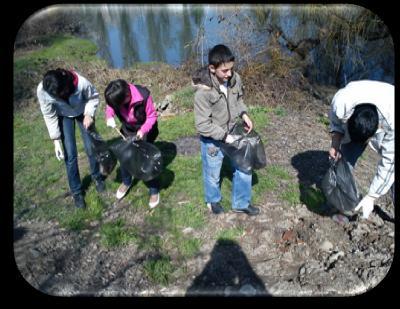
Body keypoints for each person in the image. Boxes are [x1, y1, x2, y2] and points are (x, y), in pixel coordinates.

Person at [193, 44, 260, 216]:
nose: (229, 74)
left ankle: (241, 203)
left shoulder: (235, 79)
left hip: (233, 131)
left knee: (245, 166)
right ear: (212, 69)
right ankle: (213, 200)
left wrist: (244, 114)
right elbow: (202, 125)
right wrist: (224, 137)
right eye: (224, 71)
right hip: (213, 141)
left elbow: (238, 100)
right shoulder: (203, 93)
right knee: (212, 174)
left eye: (231, 68)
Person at [37, 68, 105, 209]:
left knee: (91, 148)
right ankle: (77, 192)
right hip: (64, 116)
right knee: (70, 155)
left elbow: (93, 97)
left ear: (66, 85)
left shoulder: (81, 83)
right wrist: (56, 140)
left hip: (83, 113)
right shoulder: (43, 90)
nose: (58, 97)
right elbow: (48, 114)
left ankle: (97, 177)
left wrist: (89, 114)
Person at [328, 80, 394, 220]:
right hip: (361, 102)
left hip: (389, 113)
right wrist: (336, 142)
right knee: (344, 159)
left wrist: (371, 196)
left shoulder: (392, 120)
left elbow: (390, 162)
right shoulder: (341, 102)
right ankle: (341, 201)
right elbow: (335, 120)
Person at [104, 79, 160, 208]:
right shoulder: (116, 96)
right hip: (128, 129)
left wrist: (143, 131)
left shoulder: (143, 96)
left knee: (146, 159)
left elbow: (152, 116)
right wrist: (109, 116)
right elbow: (110, 106)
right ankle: (126, 182)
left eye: (119, 104)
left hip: (145, 128)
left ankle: (154, 189)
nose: (117, 107)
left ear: (128, 96)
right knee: (125, 157)